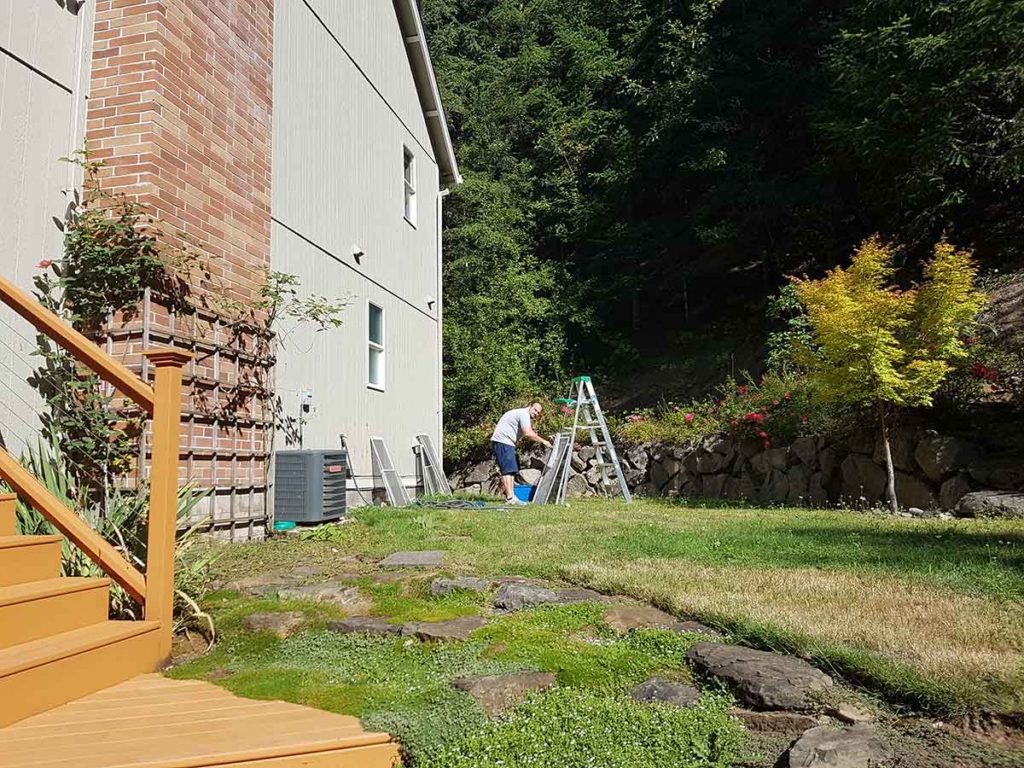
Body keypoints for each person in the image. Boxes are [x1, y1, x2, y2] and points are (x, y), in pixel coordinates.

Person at [491, 402, 551, 504]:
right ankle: (510, 498)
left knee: (511, 470)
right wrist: (544, 441)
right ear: (530, 406)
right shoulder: (523, 414)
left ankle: (511, 496)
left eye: (538, 413)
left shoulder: (523, 414)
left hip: (507, 443)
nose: (536, 413)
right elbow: (528, 432)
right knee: (507, 470)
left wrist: (546, 437)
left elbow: (531, 432)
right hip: (502, 441)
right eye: (535, 410)